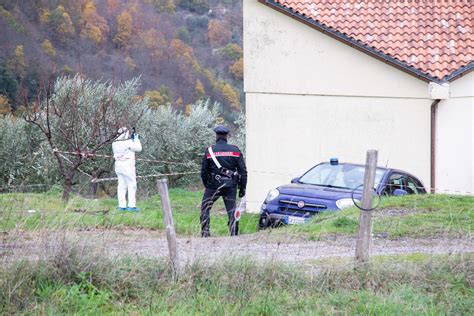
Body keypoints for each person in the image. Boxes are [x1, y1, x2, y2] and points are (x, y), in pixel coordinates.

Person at [200, 125, 247, 237]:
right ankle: (234, 233)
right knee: (231, 210)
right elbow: (243, 172)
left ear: (216, 136)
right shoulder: (235, 150)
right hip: (230, 185)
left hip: (213, 185)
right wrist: (242, 188)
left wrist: (207, 185)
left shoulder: (210, 151)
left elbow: (203, 172)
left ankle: (205, 233)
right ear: (227, 136)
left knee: (205, 208)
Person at [112, 127, 142, 211]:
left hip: (118, 166)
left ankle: (121, 205)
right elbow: (139, 148)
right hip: (128, 165)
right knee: (132, 185)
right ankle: (131, 206)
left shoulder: (114, 143)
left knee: (121, 185)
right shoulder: (127, 142)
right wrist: (136, 139)